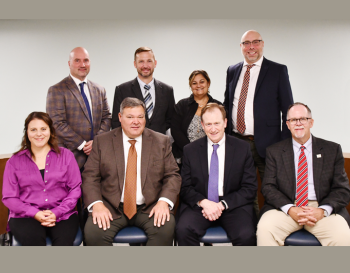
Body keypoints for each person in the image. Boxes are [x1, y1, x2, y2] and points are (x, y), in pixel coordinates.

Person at [82, 97, 181, 246]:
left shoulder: (161, 141)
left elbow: (172, 175)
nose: (136, 121)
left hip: (151, 206)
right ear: (120, 117)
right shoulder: (102, 141)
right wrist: (97, 204)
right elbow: (90, 177)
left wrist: (163, 202)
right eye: (130, 117)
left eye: (140, 117)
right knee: (94, 233)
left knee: (164, 230)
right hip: (111, 206)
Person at [257, 103, 350, 246]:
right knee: (265, 229)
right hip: (287, 207)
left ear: (311, 122)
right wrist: (290, 208)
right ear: (288, 125)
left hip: (321, 208)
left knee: (342, 236)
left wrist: (322, 210)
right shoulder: (274, 151)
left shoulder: (332, 149)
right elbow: (269, 187)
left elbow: (341, 189)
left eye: (303, 119)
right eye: (293, 120)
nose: (298, 123)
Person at [223, 30, 294, 215]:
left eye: (255, 42)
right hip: (237, 142)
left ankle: (269, 230)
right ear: (241, 47)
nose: (251, 47)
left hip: (268, 144)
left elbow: (288, 110)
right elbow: (227, 103)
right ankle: (251, 230)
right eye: (246, 43)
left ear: (262, 44)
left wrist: (284, 144)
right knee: (243, 190)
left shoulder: (278, 70)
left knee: (272, 190)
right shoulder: (232, 70)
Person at [176, 103, 257, 246]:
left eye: (217, 123)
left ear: (225, 123)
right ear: (202, 125)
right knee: (183, 230)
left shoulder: (242, 148)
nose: (213, 129)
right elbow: (185, 187)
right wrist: (204, 202)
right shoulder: (190, 150)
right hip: (201, 204)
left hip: (232, 205)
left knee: (246, 235)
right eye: (208, 124)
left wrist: (222, 205)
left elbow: (249, 188)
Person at [2, 112, 81, 246]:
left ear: (50, 131)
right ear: (27, 132)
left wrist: (57, 212)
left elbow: (75, 189)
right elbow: (9, 197)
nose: (39, 134)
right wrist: (35, 213)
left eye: (43, 129)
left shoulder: (66, 156)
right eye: (33, 130)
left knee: (63, 243)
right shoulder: (14, 162)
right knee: (35, 242)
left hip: (63, 213)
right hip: (25, 216)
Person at [46, 47, 111, 170]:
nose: (82, 64)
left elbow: (107, 117)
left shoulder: (100, 89)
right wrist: (83, 145)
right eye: (77, 60)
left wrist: (96, 142)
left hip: (98, 158)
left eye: (86, 60)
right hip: (70, 158)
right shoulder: (57, 90)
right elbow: (57, 123)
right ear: (69, 64)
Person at [111, 47, 175, 134]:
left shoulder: (167, 90)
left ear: (155, 63)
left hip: (159, 144)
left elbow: (171, 120)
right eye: (141, 61)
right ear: (135, 64)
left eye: (149, 61)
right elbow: (116, 122)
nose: (145, 66)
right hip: (132, 144)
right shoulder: (122, 90)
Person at [171, 70, 222, 165]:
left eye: (202, 82)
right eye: (194, 83)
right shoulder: (182, 105)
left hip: (210, 155)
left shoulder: (218, 106)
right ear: (191, 86)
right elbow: (175, 130)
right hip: (184, 155)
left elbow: (222, 131)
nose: (198, 85)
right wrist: (191, 150)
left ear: (208, 83)